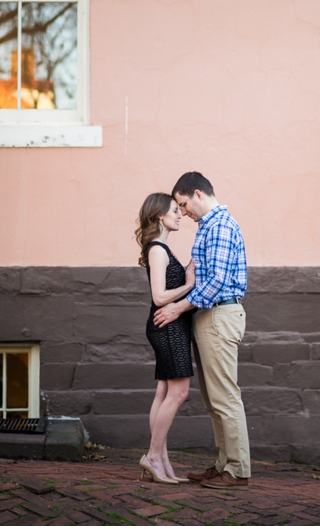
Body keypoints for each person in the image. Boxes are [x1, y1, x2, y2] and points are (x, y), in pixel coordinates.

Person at [152, 172, 251, 490]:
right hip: (210, 315)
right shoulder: (209, 226)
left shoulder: (220, 225)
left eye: (183, 205)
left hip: (220, 313)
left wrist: (178, 307)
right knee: (214, 399)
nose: (182, 212)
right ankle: (224, 463)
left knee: (225, 397)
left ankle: (236, 470)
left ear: (197, 194)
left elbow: (218, 281)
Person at [134, 192, 196, 485]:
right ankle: (153, 457)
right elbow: (159, 297)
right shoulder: (157, 249)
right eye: (175, 209)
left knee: (163, 393)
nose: (180, 213)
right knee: (178, 393)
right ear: (160, 215)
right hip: (167, 327)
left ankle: (162, 461)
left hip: (171, 326)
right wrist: (190, 284)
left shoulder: (161, 248)